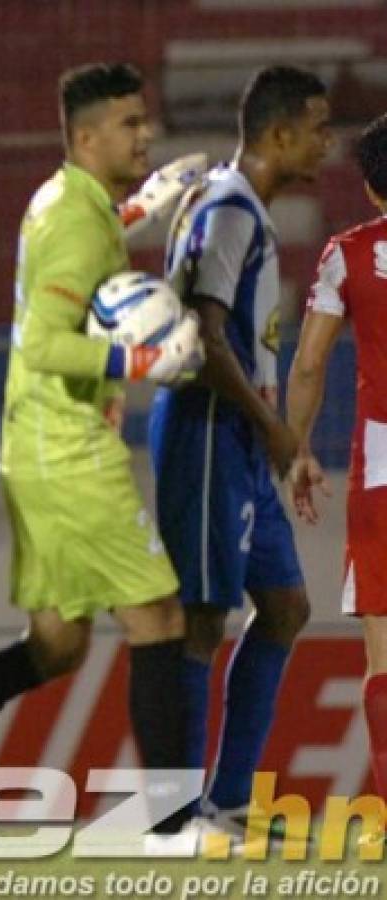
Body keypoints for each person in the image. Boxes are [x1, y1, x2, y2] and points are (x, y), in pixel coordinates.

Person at [0, 62, 204, 847]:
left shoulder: (70, 202)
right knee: (158, 617)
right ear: (86, 136)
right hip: (67, 450)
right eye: (130, 125)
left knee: (55, 647)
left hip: (34, 446)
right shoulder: (72, 219)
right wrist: (140, 363)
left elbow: (77, 262)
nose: (146, 133)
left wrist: (138, 207)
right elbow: (45, 340)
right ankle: (169, 829)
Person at [150, 65, 332, 839]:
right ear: (279, 131)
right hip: (207, 425)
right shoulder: (228, 208)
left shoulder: (232, 205)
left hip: (235, 429)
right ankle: (178, 813)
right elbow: (203, 332)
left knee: (285, 606)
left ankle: (224, 801)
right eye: (320, 128)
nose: (327, 143)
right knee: (202, 616)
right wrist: (269, 423)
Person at [285, 113, 387, 843]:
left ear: (370, 183)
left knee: (382, 655)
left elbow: (310, 363)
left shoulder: (346, 254)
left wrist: (296, 447)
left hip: (383, 466)